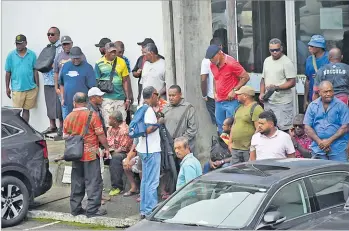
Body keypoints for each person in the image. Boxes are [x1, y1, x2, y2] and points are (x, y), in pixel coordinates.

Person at [63, 92, 109, 218]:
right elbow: (100, 135)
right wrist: (106, 148)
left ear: (74, 102)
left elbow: (65, 136)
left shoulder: (68, 117)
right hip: (90, 154)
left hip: (75, 154)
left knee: (77, 182)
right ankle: (92, 209)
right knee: (93, 182)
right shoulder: (92, 115)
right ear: (86, 102)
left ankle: (76, 208)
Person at [205, 44, 250, 134]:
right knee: (221, 127)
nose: (211, 60)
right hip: (219, 101)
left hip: (231, 101)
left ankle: (231, 147)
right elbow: (215, 78)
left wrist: (234, 90)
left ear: (219, 53)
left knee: (232, 127)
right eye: (209, 59)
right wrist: (215, 92)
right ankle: (223, 146)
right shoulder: (212, 64)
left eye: (212, 58)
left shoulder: (231, 63)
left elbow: (246, 77)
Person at [304, 81, 349, 162]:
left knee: (339, 173)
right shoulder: (312, 106)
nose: (328, 94)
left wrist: (329, 141)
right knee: (318, 173)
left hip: (337, 149)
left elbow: (345, 127)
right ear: (319, 92)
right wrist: (320, 142)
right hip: (318, 148)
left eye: (330, 91)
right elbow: (307, 127)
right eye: (325, 92)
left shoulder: (342, 106)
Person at [259, 38, 297, 133]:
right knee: (268, 128)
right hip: (269, 101)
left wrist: (277, 87)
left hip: (282, 102)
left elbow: (292, 82)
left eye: (277, 49)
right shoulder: (267, 61)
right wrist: (261, 93)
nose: (275, 52)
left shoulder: (287, 62)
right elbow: (263, 79)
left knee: (283, 129)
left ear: (282, 49)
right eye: (272, 50)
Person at [136, 86, 162, 219]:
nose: (157, 97)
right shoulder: (149, 110)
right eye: (157, 94)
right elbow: (149, 128)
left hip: (142, 149)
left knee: (145, 181)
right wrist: (159, 123)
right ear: (153, 95)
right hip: (151, 150)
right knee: (152, 182)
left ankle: (144, 210)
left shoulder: (140, 108)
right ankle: (151, 211)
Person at [95, 42, 133, 124]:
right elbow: (96, 82)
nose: (113, 53)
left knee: (121, 124)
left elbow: (125, 81)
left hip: (119, 97)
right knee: (109, 123)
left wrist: (127, 99)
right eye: (110, 52)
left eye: (114, 51)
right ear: (105, 51)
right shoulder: (99, 63)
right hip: (106, 98)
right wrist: (98, 99)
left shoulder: (122, 62)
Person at [5, 34, 39, 123]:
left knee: (26, 110)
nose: (18, 46)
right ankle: (17, 131)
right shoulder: (11, 55)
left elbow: (35, 70)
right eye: (17, 44)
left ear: (26, 43)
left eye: (20, 43)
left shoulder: (32, 55)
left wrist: (37, 86)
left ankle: (25, 130)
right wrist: (7, 87)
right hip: (17, 89)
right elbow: (8, 72)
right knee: (16, 112)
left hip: (30, 88)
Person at [54, 36, 86, 124]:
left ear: (72, 43)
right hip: (64, 89)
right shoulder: (59, 56)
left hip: (78, 89)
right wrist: (56, 87)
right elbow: (56, 73)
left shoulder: (80, 55)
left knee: (79, 111)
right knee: (66, 111)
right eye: (64, 44)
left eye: (68, 44)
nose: (66, 46)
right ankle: (68, 132)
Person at [229, 86, 264, 164]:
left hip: (247, 150)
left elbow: (259, 129)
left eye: (239, 94)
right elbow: (234, 125)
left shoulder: (256, 108)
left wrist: (252, 148)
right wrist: (230, 143)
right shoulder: (238, 108)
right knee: (234, 174)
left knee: (249, 172)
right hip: (235, 149)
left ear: (245, 96)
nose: (237, 96)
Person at [59, 47, 96, 118]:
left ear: (81, 56)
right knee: (68, 126)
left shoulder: (88, 67)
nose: (76, 60)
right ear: (70, 57)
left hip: (83, 105)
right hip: (68, 104)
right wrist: (63, 98)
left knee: (82, 125)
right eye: (74, 58)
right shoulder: (65, 66)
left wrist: (90, 102)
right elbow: (61, 84)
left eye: (78, 58)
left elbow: (92, 87)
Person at [162, 85, 198, 153]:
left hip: (184, 148)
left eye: (173, 95)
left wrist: (180, 142)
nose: (171, 98)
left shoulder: (188, 108)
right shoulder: (165, 108)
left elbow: (193, 128)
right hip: (168, 147)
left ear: (180, 94)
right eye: (169, 95)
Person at [42, 26, 64, 135]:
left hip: (58, 81)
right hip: (47, 80)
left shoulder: (61, 48)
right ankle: (52, 126)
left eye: (52, 34)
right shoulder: (47, 47)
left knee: (59, 105)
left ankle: (62, 127)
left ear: (58, 35)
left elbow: (59, 62)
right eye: (48, 34)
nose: (50, 36)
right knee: (49, 104)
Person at [107, 110, 133, 196]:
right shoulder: (110, 128)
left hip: (126, 153)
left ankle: (117, 187)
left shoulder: (125, 130)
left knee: (116, 157)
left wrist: (111, 152)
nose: (108, 120)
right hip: (113, 150)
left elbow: (124, 147)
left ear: (114, 120)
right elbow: (109, 142)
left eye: (109, 119)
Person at [200, 37, 223, 125]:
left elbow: (203, 79)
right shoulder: (226, 58)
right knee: (225, 123)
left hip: (212, 97)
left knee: (218, 123)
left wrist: (204, 94)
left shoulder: (206, 61)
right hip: (223, 96)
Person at [304, 35, 329, 111]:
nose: (309, 48)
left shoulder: (329, 57)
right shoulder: (309, 59)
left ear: (319, 47)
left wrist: (322, 75)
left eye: (311, 46)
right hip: (313, 97)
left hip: (327, 97)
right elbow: (307, 80)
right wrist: (305, 100)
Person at [132, 38, 159, 104]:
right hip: (142, 93)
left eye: (143, 47)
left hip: (156, 95)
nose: (141, 49)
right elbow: (134, 72)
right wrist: (137, 73)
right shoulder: (141, 58)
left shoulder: (160, 60)